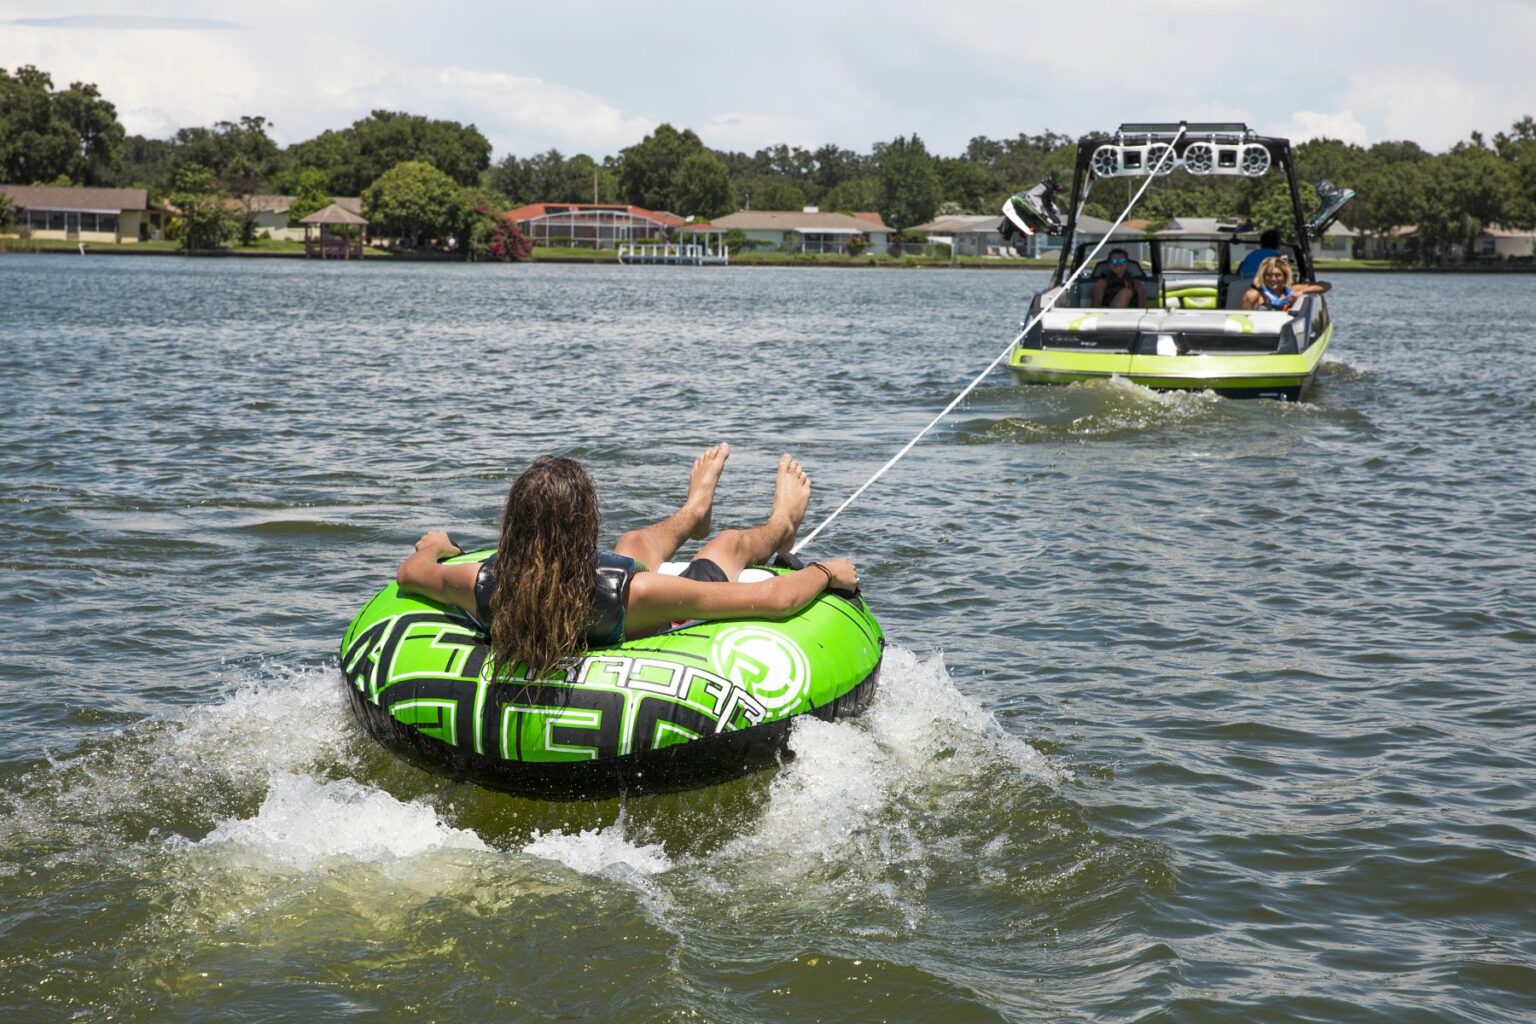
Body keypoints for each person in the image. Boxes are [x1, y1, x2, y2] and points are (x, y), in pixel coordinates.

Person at [397, 445, 859, 675]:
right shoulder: (638, 593)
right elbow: (774, 599)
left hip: (595, 597)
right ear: (583, 528)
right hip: (648, 618)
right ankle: (781, 524)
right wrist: (825, 571)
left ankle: (693, 512)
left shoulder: (484, 583)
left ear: (513, 526)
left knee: (636, 540)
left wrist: (435, 545)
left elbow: (412, 573)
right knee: (730, 544)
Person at [1240, 255, 1331, 312]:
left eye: (1277, 275)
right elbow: (1244, 320)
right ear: (1263, 276)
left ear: (1285, 277)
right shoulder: (1254, 295)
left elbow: (1326, 286)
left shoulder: (1291, 290)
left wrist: (1301, 293)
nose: (1273, 279)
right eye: (1269, 275)